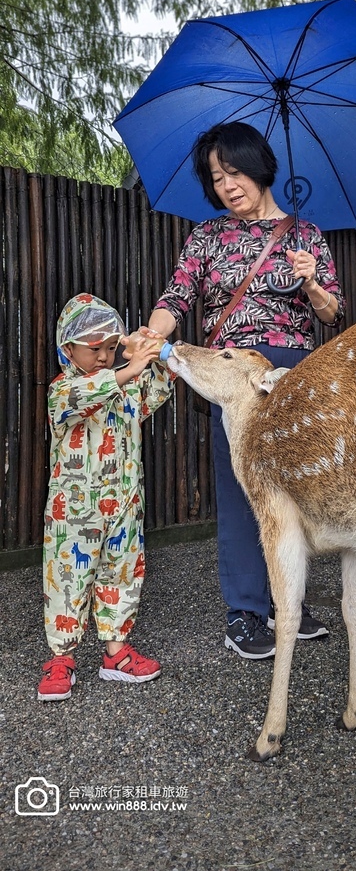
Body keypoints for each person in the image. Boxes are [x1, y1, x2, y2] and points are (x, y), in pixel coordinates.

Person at [131, 120, 346, 659]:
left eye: (233, 172)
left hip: (294, 375)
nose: (227, 185)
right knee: (240, 489)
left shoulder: (306, 236)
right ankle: (246, 611)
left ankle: (286, 604)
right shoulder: (207, 237)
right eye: (216, 177)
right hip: (232, 375)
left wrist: (312, 282)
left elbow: (332, 315)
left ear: (259, 165)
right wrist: (151, 335)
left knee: (290, 489)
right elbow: (177, 298)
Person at [38, 294, 175, 701]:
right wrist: (127, 368)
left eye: (110, 347)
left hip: (126, 505)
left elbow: (162, 384)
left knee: (123, 572)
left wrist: (151, 350)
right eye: (94, 348)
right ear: (68, 350)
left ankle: (115, 653)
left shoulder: (128, 391)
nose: (104, 356)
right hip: (73, 515)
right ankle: (61, 656)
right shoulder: (62, 391)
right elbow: (86, 395)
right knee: (67, 580)